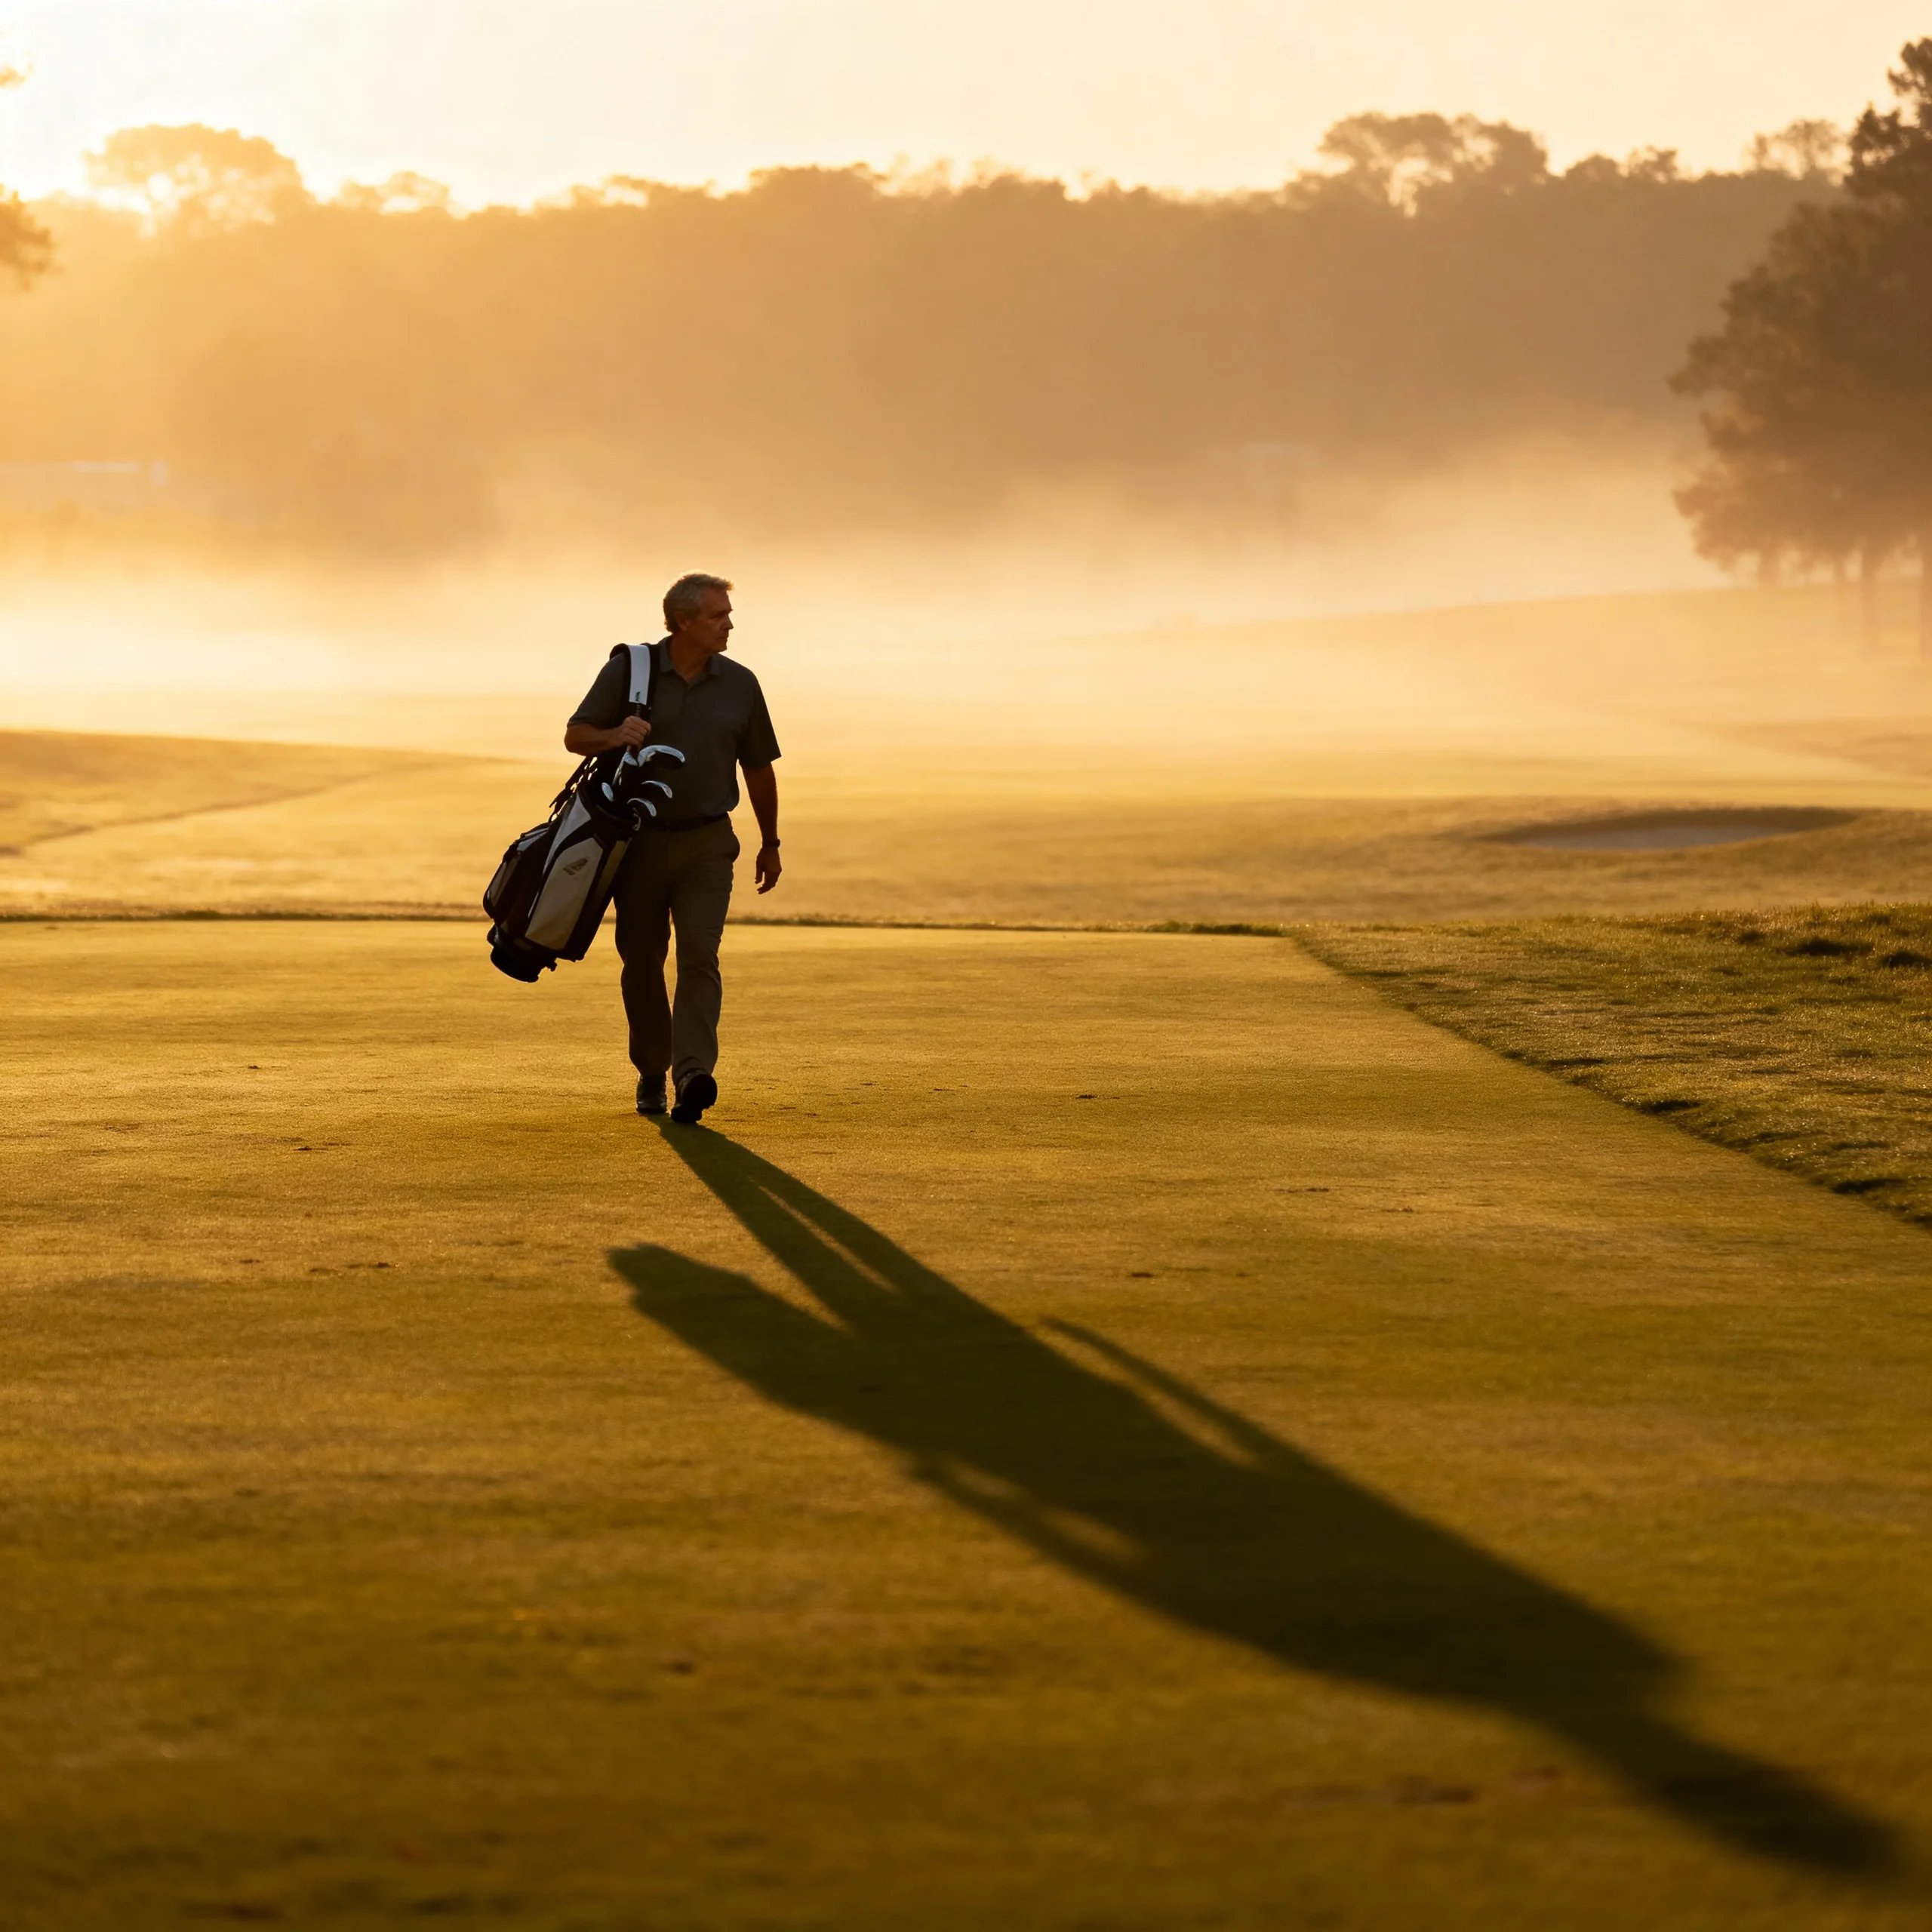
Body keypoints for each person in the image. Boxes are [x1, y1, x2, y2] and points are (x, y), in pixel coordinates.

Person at [564, 573, 781, 1124]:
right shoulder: (630, 671)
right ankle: (651, 1071)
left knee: (699, 957)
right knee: (642, 961)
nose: (729, 623)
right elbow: (576, 734)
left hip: (709, 843)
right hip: (635, 846)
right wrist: (615, 736)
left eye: (728, 614)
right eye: (717, 615)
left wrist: (770, 841)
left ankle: (693, 1076)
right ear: (683, 621)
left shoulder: (740, 684)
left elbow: (758, 765)